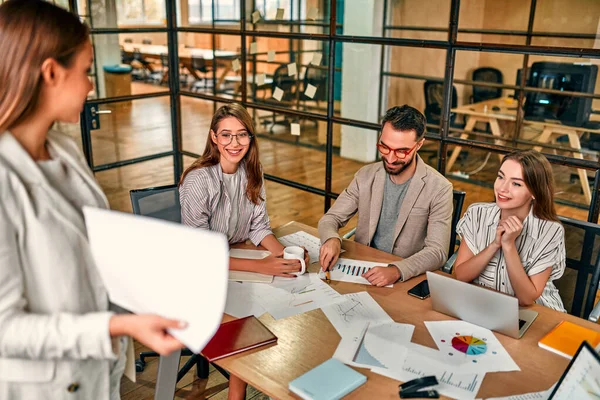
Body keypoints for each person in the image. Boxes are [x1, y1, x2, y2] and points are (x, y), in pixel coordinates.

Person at [0, 1, 186, 399]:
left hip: (99, 375)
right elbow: (5, 329)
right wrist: (113, 327)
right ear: (50, 72)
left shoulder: (64, 149)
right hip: (46, 386)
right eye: (85, 71)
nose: (90, 85)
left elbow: (93, 246)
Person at [179, 103, 307, 400]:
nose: (234, 144)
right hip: (199, 270)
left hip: (235, 259)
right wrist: (262, 267)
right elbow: (201, 253)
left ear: (251, 138)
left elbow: (258, 226)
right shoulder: (198, 180)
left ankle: (254, 385)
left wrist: (285, 254)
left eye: (242, 135)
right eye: (226, 135)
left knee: (281, 300)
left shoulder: (253, 172)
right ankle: (238, 393)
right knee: (246, 321)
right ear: (213, 137)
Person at [318, 105, 453, 287]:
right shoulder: (365, 176)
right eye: (384, 147)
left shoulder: (439, 188)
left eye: (401, 151)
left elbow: (438, 251)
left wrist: (397, 270)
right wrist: (331, 238)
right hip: (362, 269)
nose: (390, 158)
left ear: (419, 145)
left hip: (405, 276)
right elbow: (331, 218)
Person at [454, 150, 566, 311]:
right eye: (500, 177)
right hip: (485, 305)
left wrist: (508, 246)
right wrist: (494, 245)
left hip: (537, 312)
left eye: (516, 184)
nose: (503, 188)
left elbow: (527, 298)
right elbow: (461, 275)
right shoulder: (477, 213)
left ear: (535, 192)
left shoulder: (550, 231)